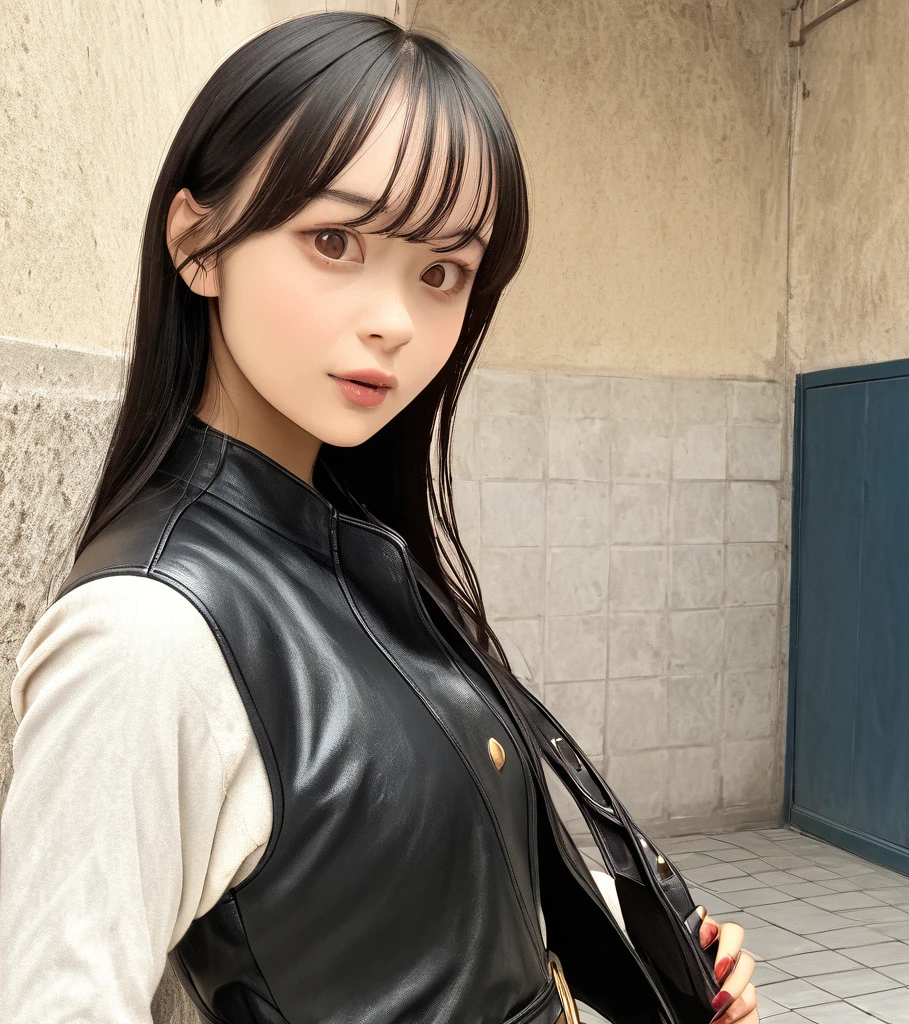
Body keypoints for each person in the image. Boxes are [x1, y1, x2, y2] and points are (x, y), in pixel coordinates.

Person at [0, 11, 760, 1024]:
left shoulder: (355, 546)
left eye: (441, 271)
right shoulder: (144, 640)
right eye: (334, 240)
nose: (396, 319)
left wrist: (645, 949)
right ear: (198, 242)